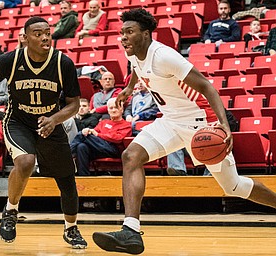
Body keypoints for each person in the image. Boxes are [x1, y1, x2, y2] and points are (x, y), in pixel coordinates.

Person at [92, 8, 276, 255]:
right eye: (122, 32)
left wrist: (223, 124)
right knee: (131, 156)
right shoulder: (134, 53)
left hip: (200, 124)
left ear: (145, 34)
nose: (123, 37)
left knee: (234, 187)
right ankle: (131, 231)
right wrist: (127, 90)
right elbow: (137, 70)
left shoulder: (165, 56)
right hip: (170, 121)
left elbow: (207, 87)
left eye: (129, 32)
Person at [0, 16, 87, 249]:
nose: (45, 37)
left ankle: (70, 228)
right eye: (38, 33)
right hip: (18, 121)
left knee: (67, 181)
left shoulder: (62, 63)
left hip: (50, 124)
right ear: (24, 38)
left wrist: (54, 119)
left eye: (47, 32)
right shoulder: (11, 60)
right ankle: (11, 211)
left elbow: (74, 104)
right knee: (25, 162)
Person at [70, 97, 132, 176]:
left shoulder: (126, 125)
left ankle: (68, 152)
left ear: (122, 110)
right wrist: (88, 131)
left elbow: (117, 138)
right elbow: (94, 133)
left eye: (116, 107)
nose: (113, 110)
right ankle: (84, 176)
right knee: (81, 146)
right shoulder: (104, 122)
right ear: (108, 111)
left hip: (113, 150)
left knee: (85, 136)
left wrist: (98, 134)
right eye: (111, 108)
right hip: (98, 148)